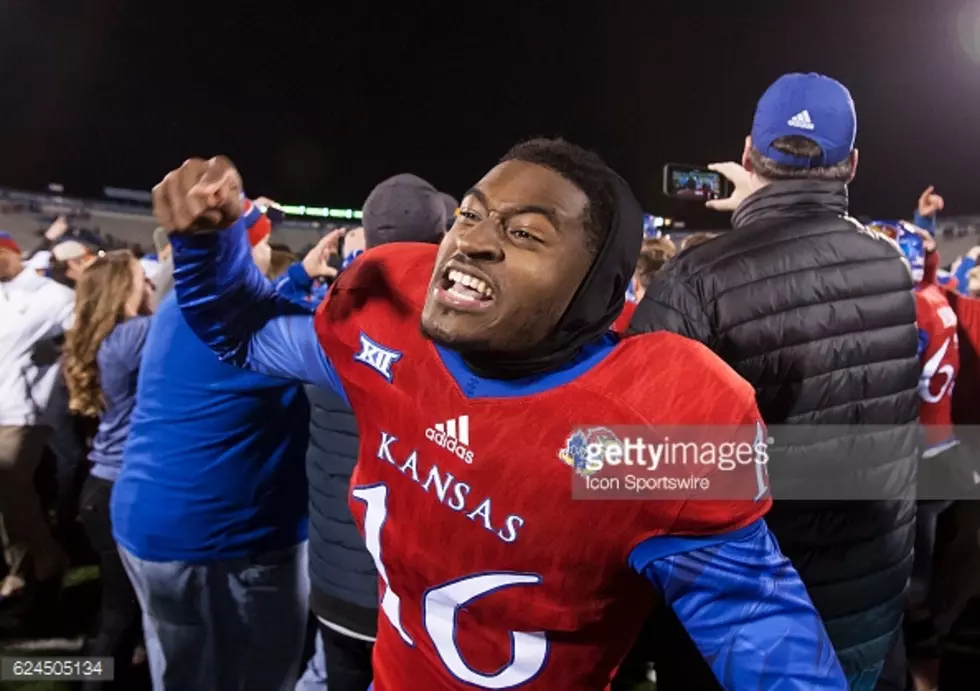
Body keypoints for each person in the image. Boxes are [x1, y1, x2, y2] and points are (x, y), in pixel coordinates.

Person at [153, 138, 847, 690]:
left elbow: (761, 633)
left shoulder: (624, 433)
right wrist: (208, 246)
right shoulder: (392, 335)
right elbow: (245, 331)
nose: (474, 241)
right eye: (472, 214)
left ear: (594, 291)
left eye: (526, 233)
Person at [628, 73, 920, 690]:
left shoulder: (693, 281)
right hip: (869, 607)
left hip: (751, 626)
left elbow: (632, 468)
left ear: (746, 155)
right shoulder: (892, 266)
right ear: (852, 165)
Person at [111, 201, 311, 691]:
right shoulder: (257, 322)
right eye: (260, 240)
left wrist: (303, 276)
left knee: (181, 672)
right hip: (221, 537)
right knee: (256, 678)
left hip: (148, 523)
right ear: (238, 253)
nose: (268, 250)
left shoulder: (180, 304)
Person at [302, 172, 451, 691]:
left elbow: (234, 326)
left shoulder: (323, 324)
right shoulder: (464, 341)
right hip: (412, 598)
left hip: (335, 580)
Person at [63, 250, 153, 689]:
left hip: (102, 485)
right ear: (123, 286)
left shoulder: (103, 335)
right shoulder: (136, 333)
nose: (149, 284)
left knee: (115, 609)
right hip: (119, 488)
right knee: (120, 613)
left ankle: (89, 677)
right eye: (141, 278)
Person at [0, 230, 74, 608]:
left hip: (27, 410)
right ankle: (22, 567)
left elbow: (80, 333)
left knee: (12, 486)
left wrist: (60, 350)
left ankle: (47, 561)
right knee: (10, 497)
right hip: (4, 405)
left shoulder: (52, 295)